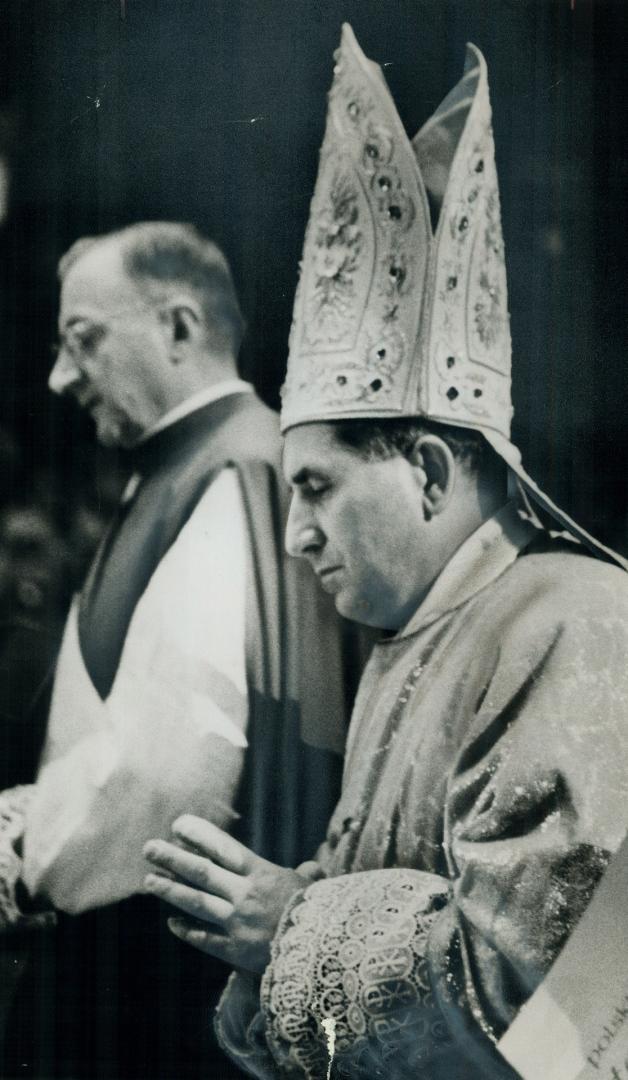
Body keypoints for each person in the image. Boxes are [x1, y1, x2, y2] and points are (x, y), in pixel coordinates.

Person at [141, 27, 628, 1079]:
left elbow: (552, 1009)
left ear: (427, 469)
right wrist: (261, 925)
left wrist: (291, 927)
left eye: (315, 486)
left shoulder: (572, 620)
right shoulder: (411, 636)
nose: (294, 531)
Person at [0, 222, 358, 1079]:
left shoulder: (233, 470)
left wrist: (23, 858)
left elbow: (168, 775)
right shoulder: (195, 466)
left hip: (153, 971)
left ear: (180, 328)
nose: (59, 376)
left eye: (82, 340)